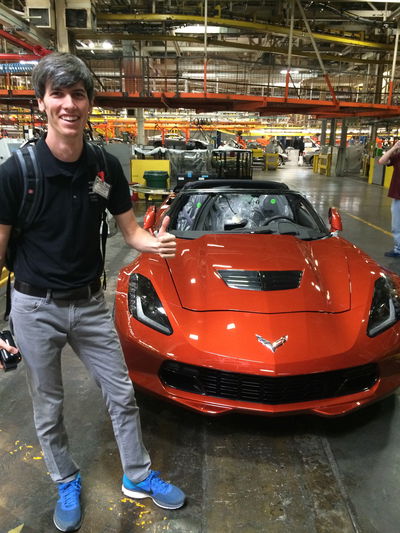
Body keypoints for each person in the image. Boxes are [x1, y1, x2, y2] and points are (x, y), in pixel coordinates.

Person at [0, 52, 185, 532]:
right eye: (57, 94)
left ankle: (137, 476)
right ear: (41, 102)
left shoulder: (103, 167)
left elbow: (130, 234)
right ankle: (65, 479)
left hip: (88, 305)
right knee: (49, 404)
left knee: (121, 394)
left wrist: (156, 242)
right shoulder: (16, 172)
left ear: (89, 104)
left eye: (78, 94)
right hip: (34, 306)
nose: (69, 104)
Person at [379, 140, 400, 257]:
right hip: (398, 196)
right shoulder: (397, 157)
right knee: (396, 225)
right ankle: (398, 249)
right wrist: (394, 148)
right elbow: (382, 161)